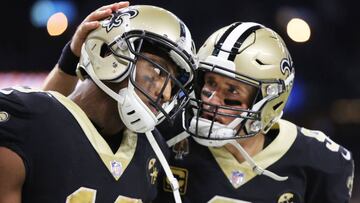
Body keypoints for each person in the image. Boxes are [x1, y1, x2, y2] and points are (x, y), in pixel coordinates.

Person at [0, 3, 197, 203]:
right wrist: (70, 58)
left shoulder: (153, 149)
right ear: (108, 52)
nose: (166, 93)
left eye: (173, 82)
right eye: (159, 71)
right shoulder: (27, 119)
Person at [155, 22, 355, 203]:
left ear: (270, 102)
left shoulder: (319, 161)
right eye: (210, 82)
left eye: (231, 91)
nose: (210, 100)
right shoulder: (167, 135)